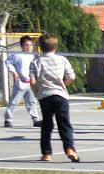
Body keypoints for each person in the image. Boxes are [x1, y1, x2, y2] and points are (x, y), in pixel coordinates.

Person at [29, 35, 78, 163]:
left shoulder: (36, 62)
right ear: (55, 47)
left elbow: (32, 81)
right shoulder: (62, 60)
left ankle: (46, 154)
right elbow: (71, 77)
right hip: (60, 95)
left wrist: (36, 93)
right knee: (64, 124)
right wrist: (63, 84)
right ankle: (70, 149)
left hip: (45, 96)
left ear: (40, 47)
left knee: (47, 124)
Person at [4, 35, 40, 129]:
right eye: (26, 45)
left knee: (32, 102)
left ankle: (35, 119)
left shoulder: (34, 56)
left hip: (31, 83)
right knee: (14, 102)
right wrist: (14, 72)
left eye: (30, 45)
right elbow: (8, 62)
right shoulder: (17, 55)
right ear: (22, 46)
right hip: (21, 82)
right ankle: (8, 119)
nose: (29, 47)